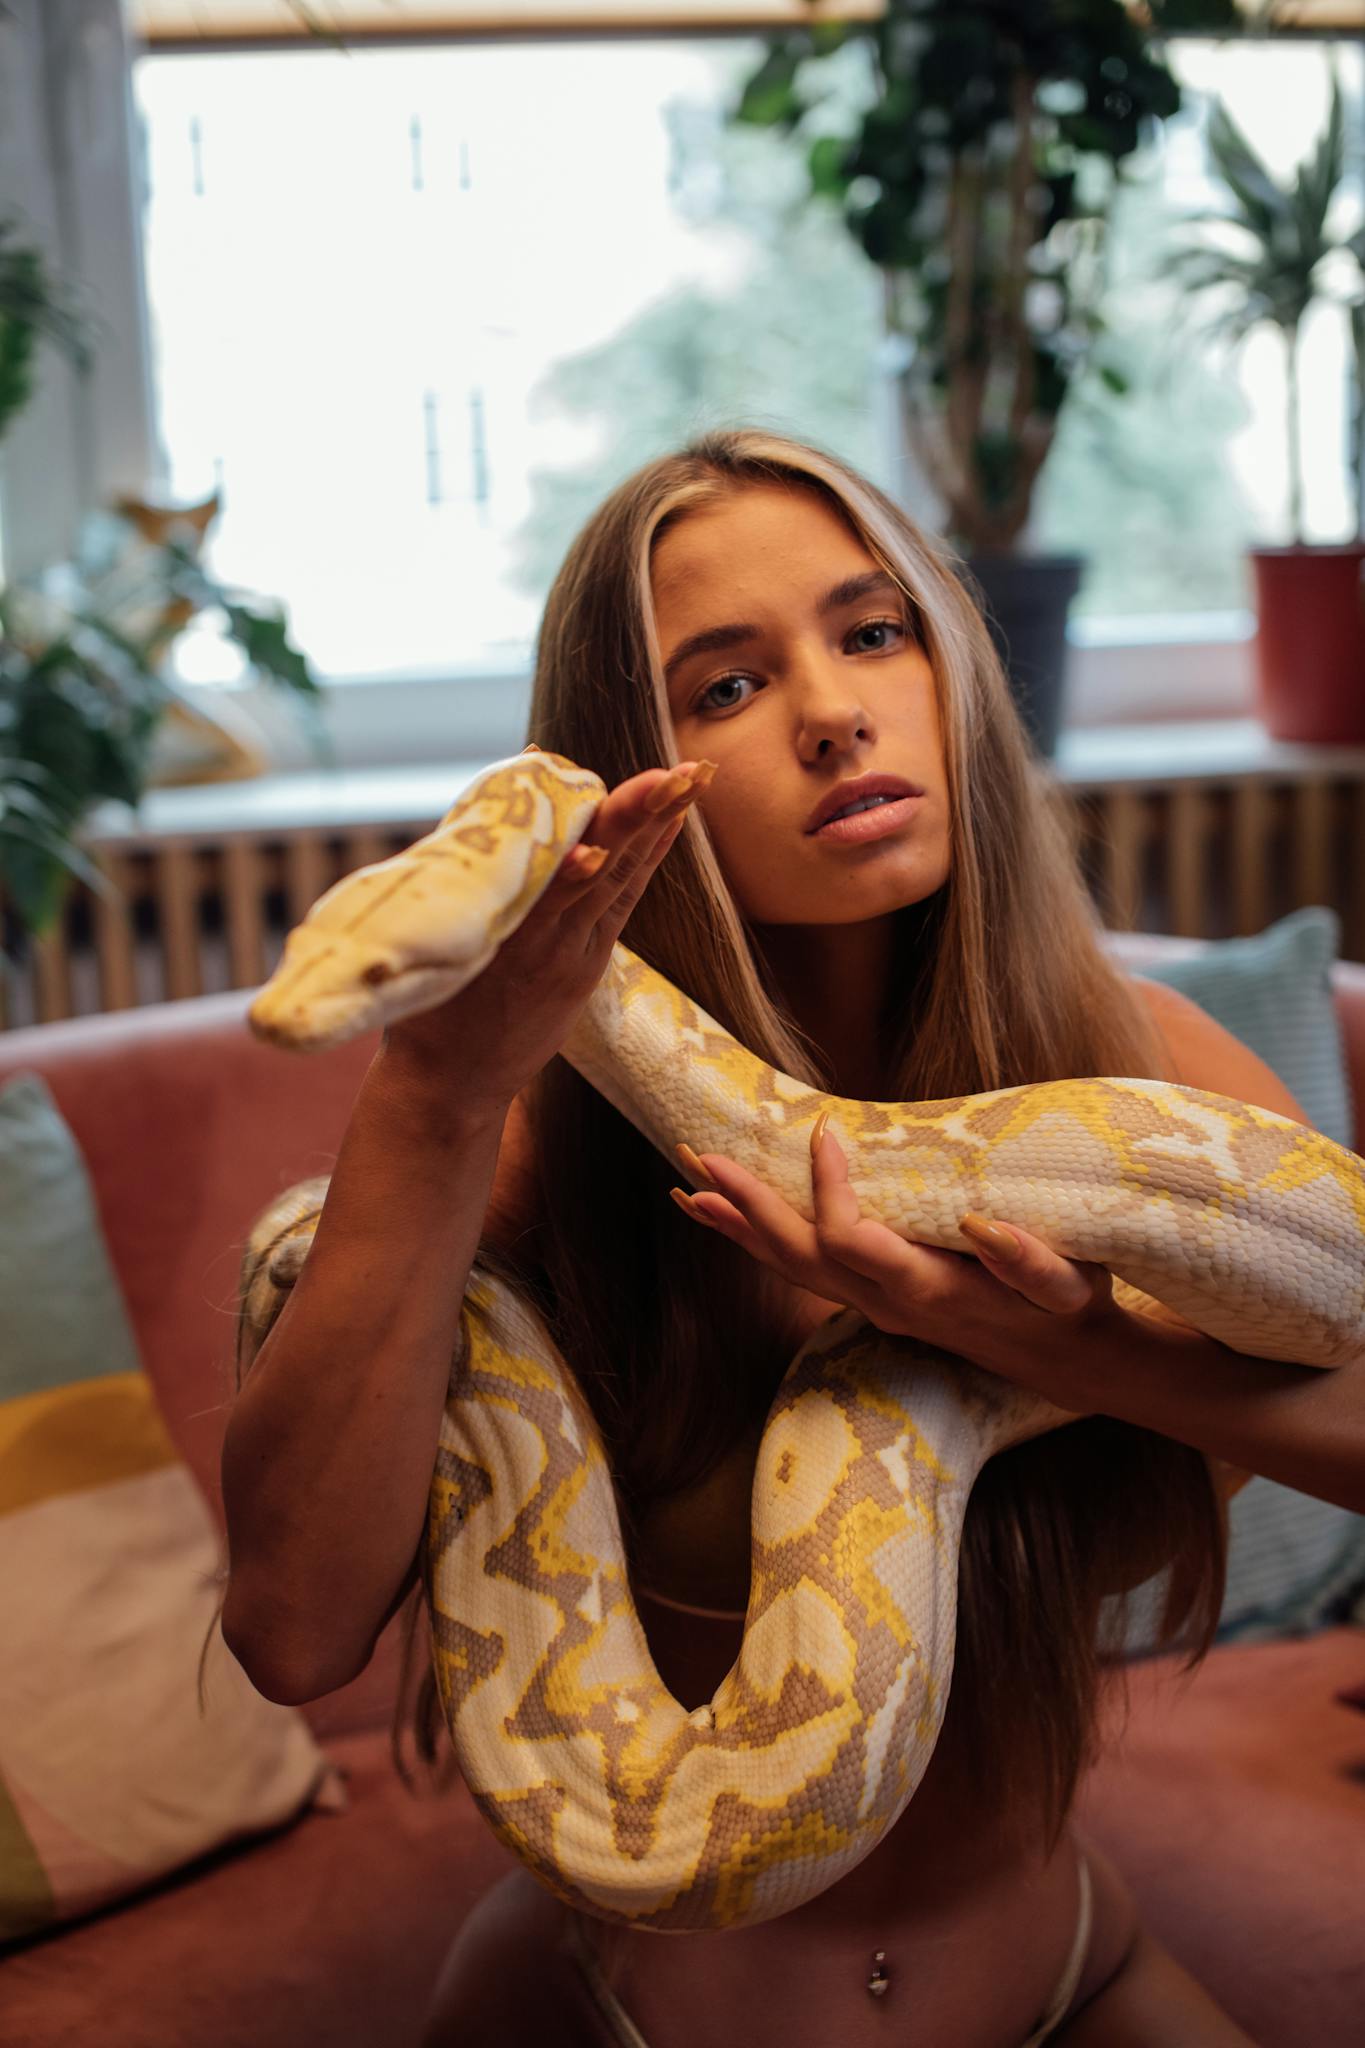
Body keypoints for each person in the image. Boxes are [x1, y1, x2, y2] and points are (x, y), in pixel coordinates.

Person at [220, 428, 1362, 2046]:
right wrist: (427, 1094)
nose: (832, 710)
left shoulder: (1153, 1080)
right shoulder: (529, 1157)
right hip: (624, 2010)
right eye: (728, 686)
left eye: (872, 630)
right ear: (630, 782)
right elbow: (289, 1629)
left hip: (1064, 1966)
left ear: (953, 665)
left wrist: (1063, 1350)